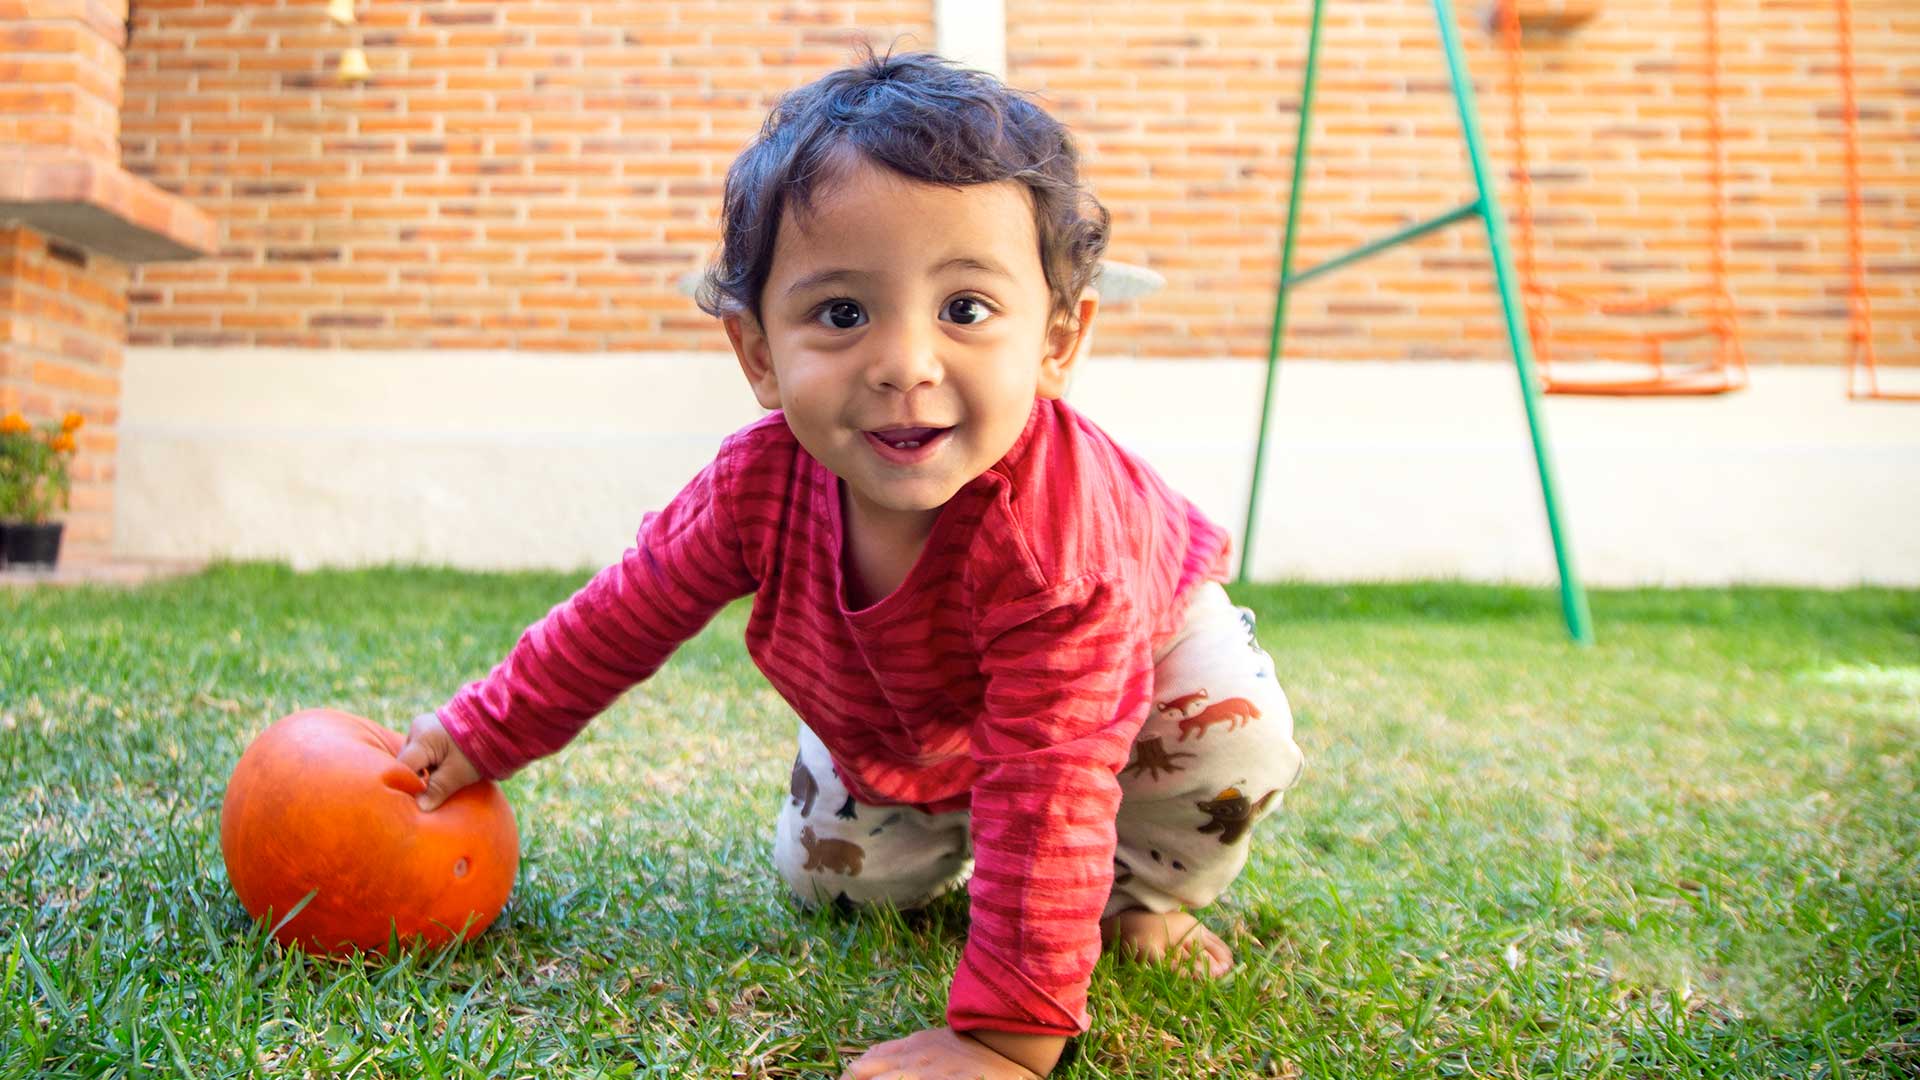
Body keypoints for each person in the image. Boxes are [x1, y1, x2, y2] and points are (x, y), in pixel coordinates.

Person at [396, 44, 1304, 1079]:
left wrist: (1008, 1036)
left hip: (1135, 681)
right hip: (912, 705)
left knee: (1228, 738)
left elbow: (1051, 773)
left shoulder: (1056, 547)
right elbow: (624, 613)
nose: (905, 365)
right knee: (831, 884)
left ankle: (1137, 899)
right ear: (757, 354)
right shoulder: (755, 488)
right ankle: (947, 809)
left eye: (965, 310)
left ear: (1058, 340)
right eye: (841, 314)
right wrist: (482, 731)